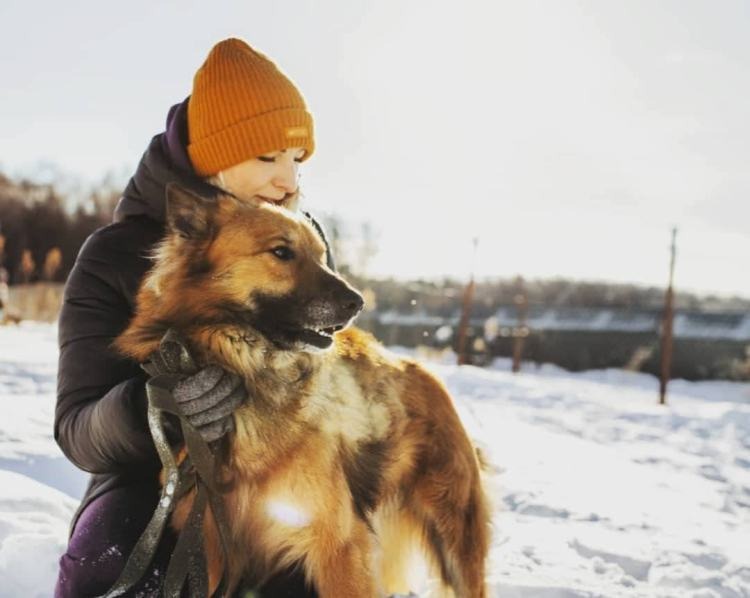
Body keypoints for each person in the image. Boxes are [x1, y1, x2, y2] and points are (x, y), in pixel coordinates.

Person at [54, 38, 327, 597]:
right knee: (113, 557)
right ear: (213, 156)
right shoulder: (113, 256)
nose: (290, 182)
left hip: (277, 473)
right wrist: (154, 408)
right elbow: (77, 428)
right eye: (267, 157)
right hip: (144, 482)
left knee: (315, 568)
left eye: (296, 160)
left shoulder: (299, 243)